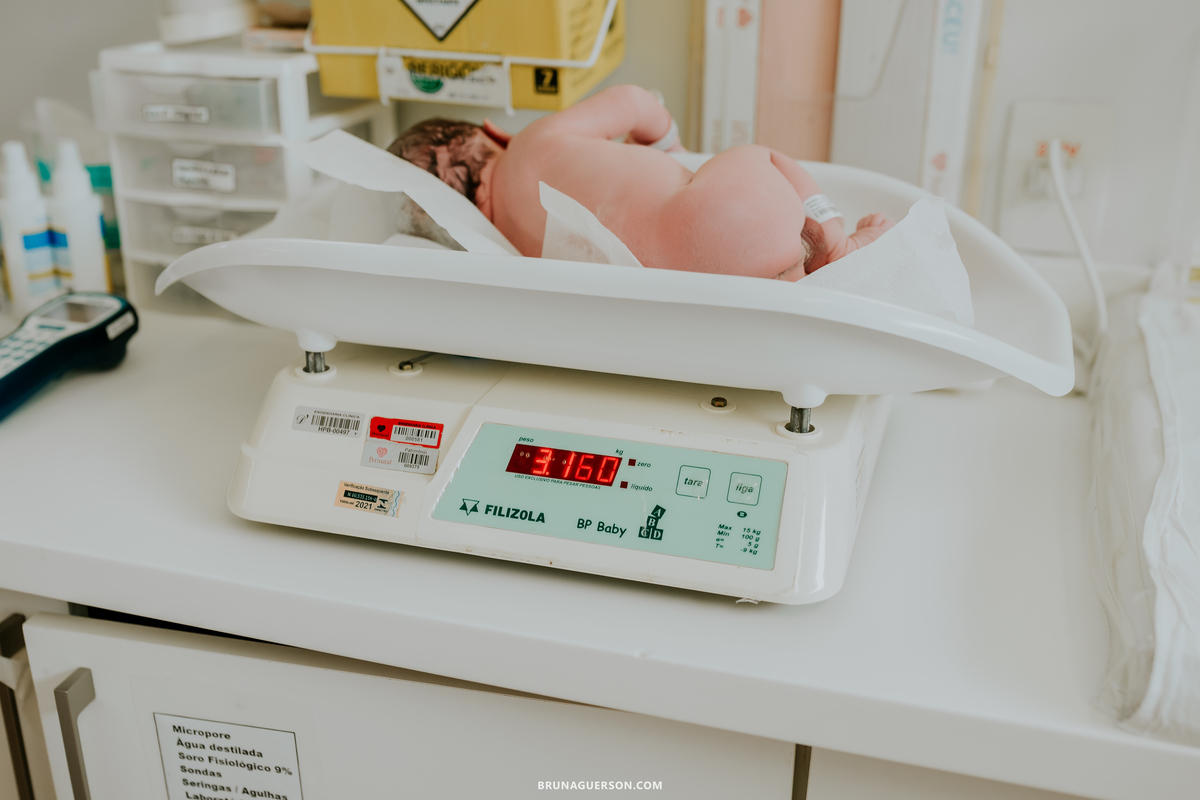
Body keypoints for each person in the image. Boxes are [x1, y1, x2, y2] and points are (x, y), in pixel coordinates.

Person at [387, 84, 894, 279]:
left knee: (783, 264)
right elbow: (632, 100)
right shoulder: (531, 141)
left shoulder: (509, 250)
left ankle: (800, 272)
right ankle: (835, 238)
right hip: (729, 211)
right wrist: (669, 147)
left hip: (713, 281)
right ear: (495, 133)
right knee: (755, 155)